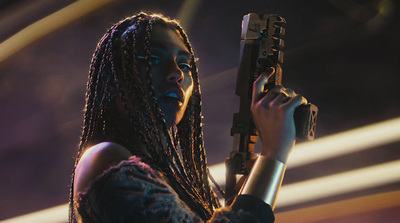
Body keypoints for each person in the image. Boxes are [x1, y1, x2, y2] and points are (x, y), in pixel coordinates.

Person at [69, 12, 306, 223]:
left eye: (185, 64)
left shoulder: (165, 177)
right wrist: (274, 155)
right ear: (112, 81)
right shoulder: (103, 158)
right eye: (153, 60)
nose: (177, 74)